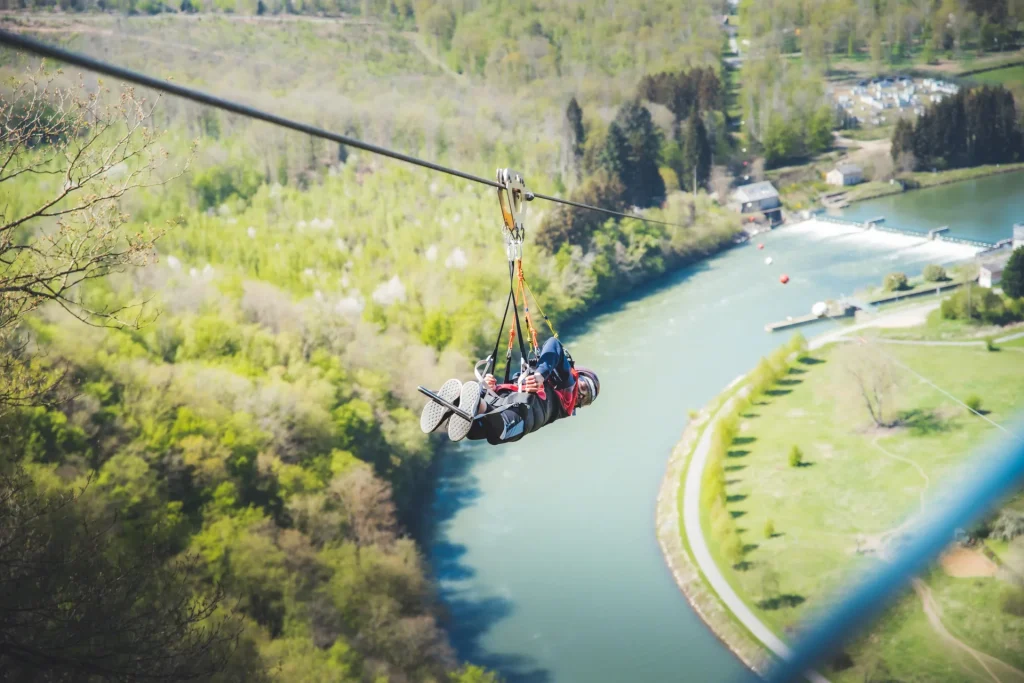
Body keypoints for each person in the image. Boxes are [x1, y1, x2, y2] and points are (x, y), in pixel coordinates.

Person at [419, 337, 600, 444]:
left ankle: (464, 404)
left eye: (585, 399)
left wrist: (539, 376)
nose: (581, 395)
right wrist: (491, 388)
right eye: (584, 387)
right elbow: (554, 344)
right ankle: (471, 402)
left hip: (519, 415)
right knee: (497, 426)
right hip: (514, 412)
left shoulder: (566, 399)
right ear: (578, 376)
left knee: (477, 431)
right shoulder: (567, 383)